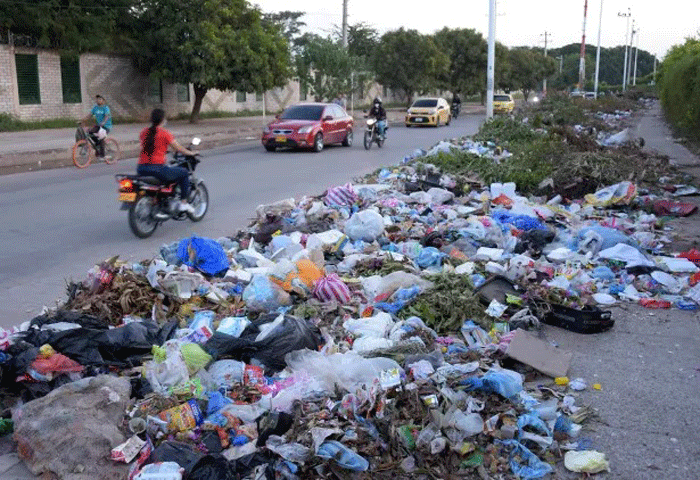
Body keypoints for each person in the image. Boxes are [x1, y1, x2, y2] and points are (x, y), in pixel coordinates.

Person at [138, 108, 198, 214]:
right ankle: (183, 203)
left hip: (141, 169)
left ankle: (159, 200)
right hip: (157, 169)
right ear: (163, 120)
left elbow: (149, 145)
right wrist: (191, 153)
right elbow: (178, 148)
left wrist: (163, 150)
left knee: (168, 175)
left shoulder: (144, 132)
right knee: (183, 173)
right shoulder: (165, 133)